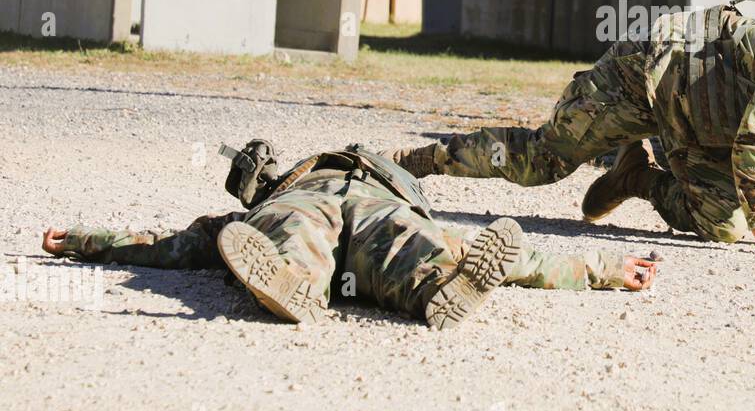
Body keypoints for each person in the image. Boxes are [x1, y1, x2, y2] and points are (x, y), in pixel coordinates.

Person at [384, 0, 755, 264]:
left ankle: (637, 178)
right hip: (653, 75)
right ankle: (417, 160)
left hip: (701, 131)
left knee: (725, 229)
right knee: (543, 162)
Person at [41, 141, 656, 329]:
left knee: (426, 245)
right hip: (325, 208)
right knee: (299, 234)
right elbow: (165, 244)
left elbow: (166, 246)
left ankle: (439, 290)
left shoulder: (311, 185)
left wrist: (604, 268)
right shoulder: (277, 200)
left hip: (383, 208)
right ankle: (296, 286)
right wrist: (84, 241)